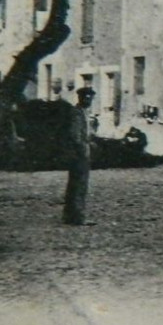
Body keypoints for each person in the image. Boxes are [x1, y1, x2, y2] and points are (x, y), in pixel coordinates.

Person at [62, 87, 95, 225]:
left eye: (90, 98)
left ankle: (69, 215)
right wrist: (83, 149)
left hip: (81, 151)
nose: (88, 100)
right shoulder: (76, 113)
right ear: (80, 98)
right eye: (86, 97)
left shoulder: (84, 113)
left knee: (76, 184)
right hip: (78, 154)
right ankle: (77, 216)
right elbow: (75, 135)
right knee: (79, 184)